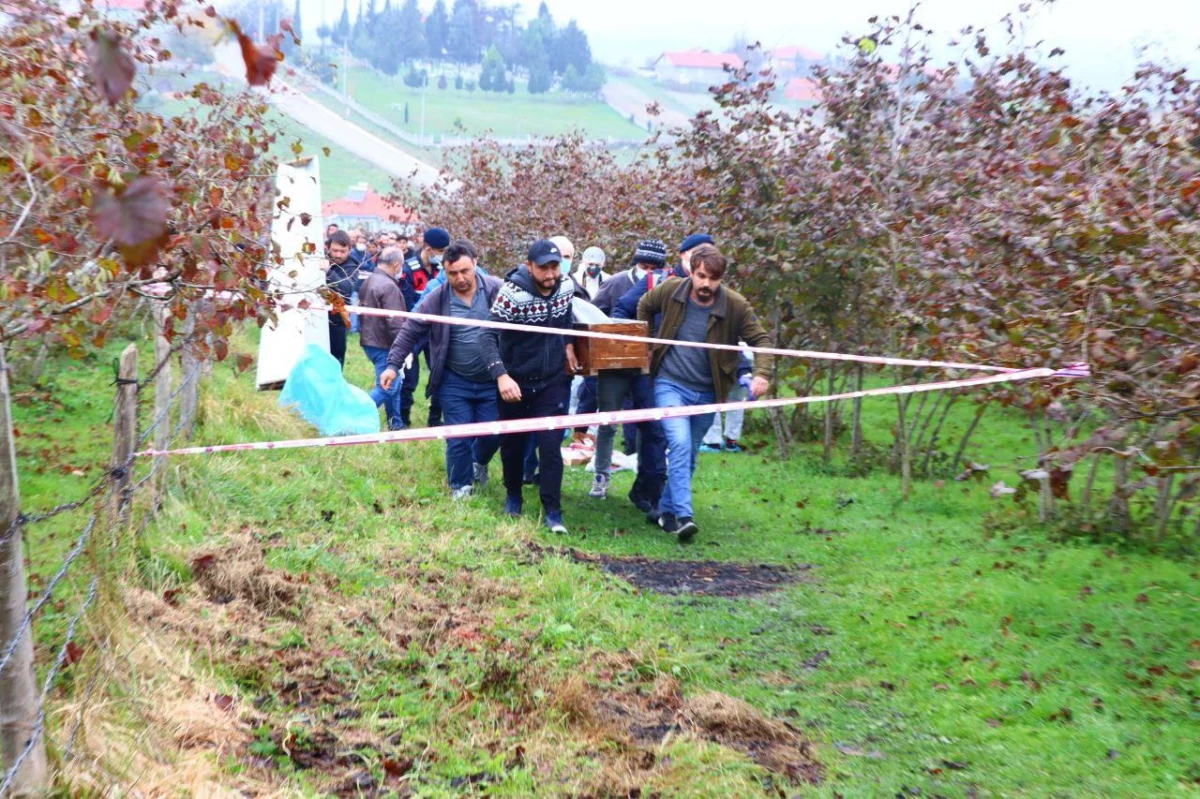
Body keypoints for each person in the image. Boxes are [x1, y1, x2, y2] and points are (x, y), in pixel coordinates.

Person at [638, 244, 773, 541]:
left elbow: (761, 338)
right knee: (681, 443)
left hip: (708, 392)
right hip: (669, 384)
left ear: (721, 278)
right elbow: (645, 306)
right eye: (701, 276)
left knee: (690, 456)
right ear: (691, 271)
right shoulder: (671, 290)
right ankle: (685, 516)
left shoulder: (735, 305)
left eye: (713, 279)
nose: (706, 284)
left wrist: (762, 374)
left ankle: (664, 510)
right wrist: (646, 344)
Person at [381, 240, 503, 498]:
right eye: (452, 273)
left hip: (492, 380)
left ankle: (478, 463)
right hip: (454, 380)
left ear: (476, 263)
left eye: (465, 271)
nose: (459, 278)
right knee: (458, 436)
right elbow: (410, 330)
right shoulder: (437, 296)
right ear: (444, 271)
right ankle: (461, 487)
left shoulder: (496, 290)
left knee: (492, 433)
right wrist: (393, 365)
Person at [479, 239, 579, 534]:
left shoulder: (566, 287)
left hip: (552, 382)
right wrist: (501, 376)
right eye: (543, 268)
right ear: (529, 266)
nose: (550, 275)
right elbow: (486, 336)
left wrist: (570, 345)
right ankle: (513, 496)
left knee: (550, 448)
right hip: (516, 382)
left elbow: (566, 319)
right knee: (513, 445)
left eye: (555, 267)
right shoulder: (511, 294)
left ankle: (553, 511)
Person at [588, 239, 669, 514]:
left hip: (648, 366)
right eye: (644, 266)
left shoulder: (665, 285)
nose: (649, 271)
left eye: (654, 267)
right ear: (636, 262)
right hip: (615, 365)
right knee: (608, 421)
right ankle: (601, 475)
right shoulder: (616, 283)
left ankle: (644, 483)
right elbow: (594, 314)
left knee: (649, 424)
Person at [399, 226, 450, 427]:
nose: (442, 255)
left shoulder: (444, 270)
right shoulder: (409, 269)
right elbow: (406, 302)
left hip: (436, 331)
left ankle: (435, 419)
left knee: (440, 374)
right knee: (409, 377)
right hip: (415, 331)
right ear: (428, 248)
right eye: (439, 250)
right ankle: (401, 419)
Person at [358, 246, 407, 430]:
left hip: (369, 340)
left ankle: (396, 423)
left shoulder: (369, 280)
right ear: (396, 265)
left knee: (395, 383)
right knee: (388, 387)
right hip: (384, 343)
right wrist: (403, 347)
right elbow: (395, 321)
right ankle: (356, 415)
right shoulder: (389, 286)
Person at [701, 348, 754, 452]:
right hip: (744, 361)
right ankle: (731, 442)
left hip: (730, 362)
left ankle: (713, 443)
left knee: (713, 401)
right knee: (736, 403)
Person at [323, 229, 356, 367]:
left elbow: (346, 288)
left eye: (343, 251)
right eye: (335, 250)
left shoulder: (352, 266)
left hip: (337, 320)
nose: (338, 255)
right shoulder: (320, 258)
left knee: (335, 361)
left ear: (349, 250)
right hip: (316, 316)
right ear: (328, 248)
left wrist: (329, 273)